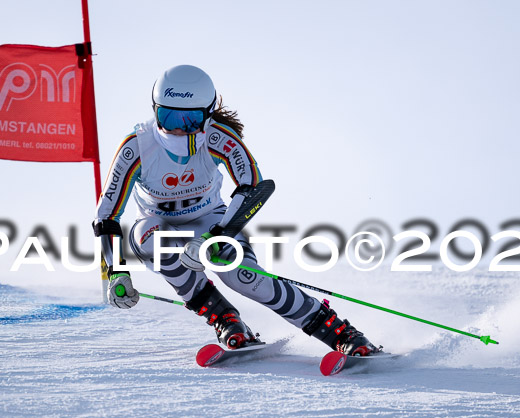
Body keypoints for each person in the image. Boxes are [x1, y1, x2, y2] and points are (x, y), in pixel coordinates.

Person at [93, 64, 380, 355]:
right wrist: (117, 271)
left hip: (212, 222)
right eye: (168, 116)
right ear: (155, 111)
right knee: (150, 238)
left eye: (190, 119)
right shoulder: (137, 147)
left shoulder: (218, 138)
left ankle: (341, 333)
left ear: (206, 115)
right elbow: (107, 216)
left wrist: (215, 237)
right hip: (158, 225)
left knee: (244, 278)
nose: (179, 128)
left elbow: (253, 187)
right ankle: (226, 319)